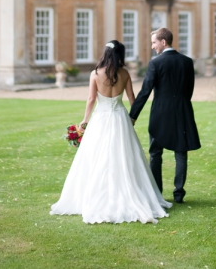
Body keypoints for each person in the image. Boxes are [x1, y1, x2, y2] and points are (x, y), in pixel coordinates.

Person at [50, 40, 171, 224]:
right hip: (120, 117)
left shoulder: (95, 73)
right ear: (120, 55)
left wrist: (85, 120)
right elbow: (132, 97)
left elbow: (91, 98)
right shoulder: (124, 73)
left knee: (96, 155)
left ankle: (95, 195)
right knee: (124, 155)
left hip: (100, 117)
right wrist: (132, 118)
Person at [129, 27, 201, 204]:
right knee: (181, 153)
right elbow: (189, 90)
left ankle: (157, 193)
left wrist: (132, 116)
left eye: (154, 42)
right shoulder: (187, 61)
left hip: (160, 113)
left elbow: (145, 92)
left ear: (163, 42)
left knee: (155, 153)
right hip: (183, 111)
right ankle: (179, 194)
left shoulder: (156, 63)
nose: (153, 46)